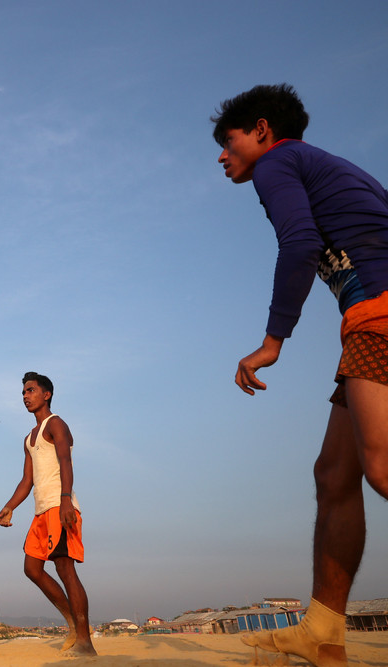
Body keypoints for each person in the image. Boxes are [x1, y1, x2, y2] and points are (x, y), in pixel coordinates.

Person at [213, 84, 388, 667]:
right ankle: (322, 629)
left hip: (379, 309)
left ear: (261, 130)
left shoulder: (280, 162)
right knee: (336, 473)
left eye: (228, 141)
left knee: (382, 466)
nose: (221, 155)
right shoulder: (330, 168)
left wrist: (271, 343)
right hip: (368, 312)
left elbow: (300, 242)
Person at [0, 372, 96, 656]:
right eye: (23, 393)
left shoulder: (56, 424)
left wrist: (66, 500)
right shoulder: (29, 438)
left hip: (60, 505)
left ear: (46, 394)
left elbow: (65, 461)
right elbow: (27, 480)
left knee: (65, 569)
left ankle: (85, 642)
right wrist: (10, 506)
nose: (26, 396)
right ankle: (71, 623)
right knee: (32, 569)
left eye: (30, 391)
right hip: (41, 511)